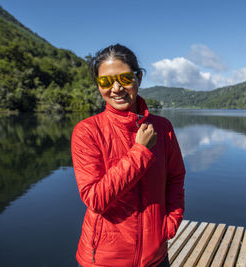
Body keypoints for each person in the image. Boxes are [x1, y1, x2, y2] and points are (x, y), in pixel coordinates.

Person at [71, 44, 185, 267]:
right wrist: (140, 152)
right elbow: (95, 199)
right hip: (103, 260)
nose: (115, 88)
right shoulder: (87, 131)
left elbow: (175, 177)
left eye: (124, 78)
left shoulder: (163, 127)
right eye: (105, 81)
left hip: (155, 257)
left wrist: (171, 221)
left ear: (138, 78)